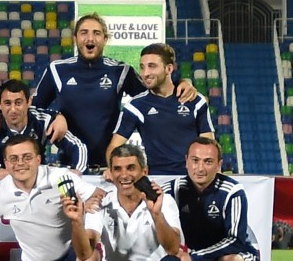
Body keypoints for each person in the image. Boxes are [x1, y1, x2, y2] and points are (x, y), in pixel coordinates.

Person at [32, 13, 195, 171]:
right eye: (84, 33)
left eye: (96, 33)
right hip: (71, 167)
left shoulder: (120, 71)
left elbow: (154, 95)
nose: (90, 38)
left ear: (105, 39)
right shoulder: (57, 70)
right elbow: (33, 111)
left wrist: (182, 82)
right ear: (75, 39)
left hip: (109, 170)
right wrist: (56, 116)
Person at [108, 43, 215, 175]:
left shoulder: (195, 100)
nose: (145, 73)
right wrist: (112, 169)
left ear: (169, 69)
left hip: (192, 178)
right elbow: (114, 146)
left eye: (152, 66)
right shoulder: (135, 106)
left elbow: (210, 145)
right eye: (142, 67)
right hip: (157, 179)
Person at [0, 79, 88, 175]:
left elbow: (78, 146)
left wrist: (77, 172)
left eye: (18, 103)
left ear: (29, 102)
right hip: (2, 180)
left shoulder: (43, 120)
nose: (13, 109)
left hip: (38, 180)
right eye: (7, 103)